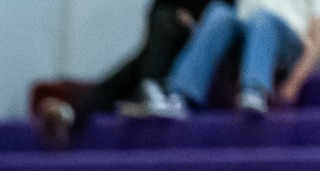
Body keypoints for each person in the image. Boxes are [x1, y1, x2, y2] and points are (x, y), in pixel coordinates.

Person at [41, 1, 213, 128]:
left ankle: (147, 90)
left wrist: (195, 24)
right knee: (142, 59)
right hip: (173, 47)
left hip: (206, 49)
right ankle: (71, 113)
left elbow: (226, 16)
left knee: (162, 29)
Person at [166, 0, 320, 116]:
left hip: (289, 44)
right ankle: (180, 96)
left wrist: (293, 84)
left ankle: (254, 91)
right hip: (248, 41)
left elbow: (317, 37)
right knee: (220, 11)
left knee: (262, 18)